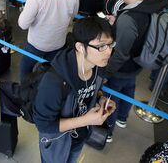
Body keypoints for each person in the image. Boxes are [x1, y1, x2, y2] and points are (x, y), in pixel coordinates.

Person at [34, 17, 116, 163]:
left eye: (111, 45)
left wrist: (100, 98)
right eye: (101, 46)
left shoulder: (97, 66)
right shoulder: (54, 81)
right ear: (80, 47)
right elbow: (44, 125)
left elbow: (88, 91)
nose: (109, 52)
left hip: (80, 136)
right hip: (57, 142)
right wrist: (85, 120)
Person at [102, 0, 154, 142]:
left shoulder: (128, 19)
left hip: (122, 67)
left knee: (112, 95)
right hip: (137, 62)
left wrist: (106, 73)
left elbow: (121, 54)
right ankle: (123, 118)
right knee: (129, 89)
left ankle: (108, 129)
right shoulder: (148, 7)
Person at [18, 0, 79, 81]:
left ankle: (24, 93)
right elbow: (72, 16)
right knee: (54, 77)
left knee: (24, 71)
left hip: (36, 45)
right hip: (58, 43)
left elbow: (23, 24)